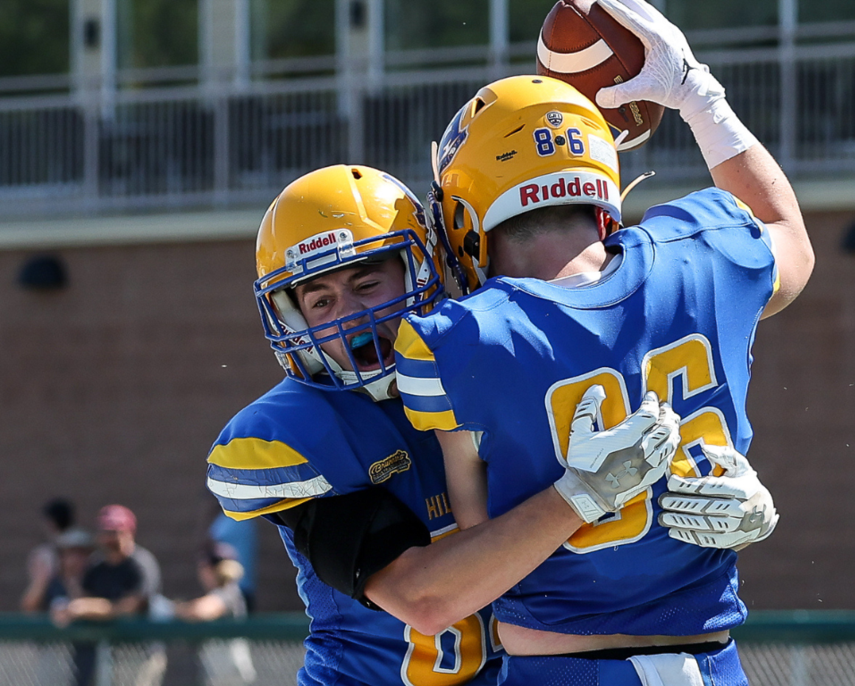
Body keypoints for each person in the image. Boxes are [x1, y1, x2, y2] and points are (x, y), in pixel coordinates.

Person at [393, 2, 814, 684]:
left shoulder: (456, 340)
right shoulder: (699, 250)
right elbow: (787, 236)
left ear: (468, 213)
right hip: (713, 666)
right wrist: (695, 93)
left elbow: (479, 557)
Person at [206, 164, 691, 686]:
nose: (350, 315)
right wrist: (584, 494)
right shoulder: (301, 434)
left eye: (367, 283)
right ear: (294, 321)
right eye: (321, 301)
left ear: (421, 270)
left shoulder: (492, 362)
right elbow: (423, 597)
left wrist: (711, 494)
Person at [53, 504, 165, 686]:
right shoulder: (96, 566)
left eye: (115, 532)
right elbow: (81, 597)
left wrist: (83, 608)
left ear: (129, 532)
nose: (109, 538)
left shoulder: (141, 564)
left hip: (139, 652)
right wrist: (71, 582)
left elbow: (128, 607)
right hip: (104, 653)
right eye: (105, 532)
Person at [176, 542, 256, 686]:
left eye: (205, 567)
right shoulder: (224, 591)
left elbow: (201, 612)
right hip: (220, 671)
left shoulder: (229, 592)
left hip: (231, 673)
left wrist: (175, 609)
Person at [21, 497, 78, 611]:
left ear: (50, 522)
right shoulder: (45, 554)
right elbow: (29, 605)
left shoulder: (43, 554)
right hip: (50, 609)